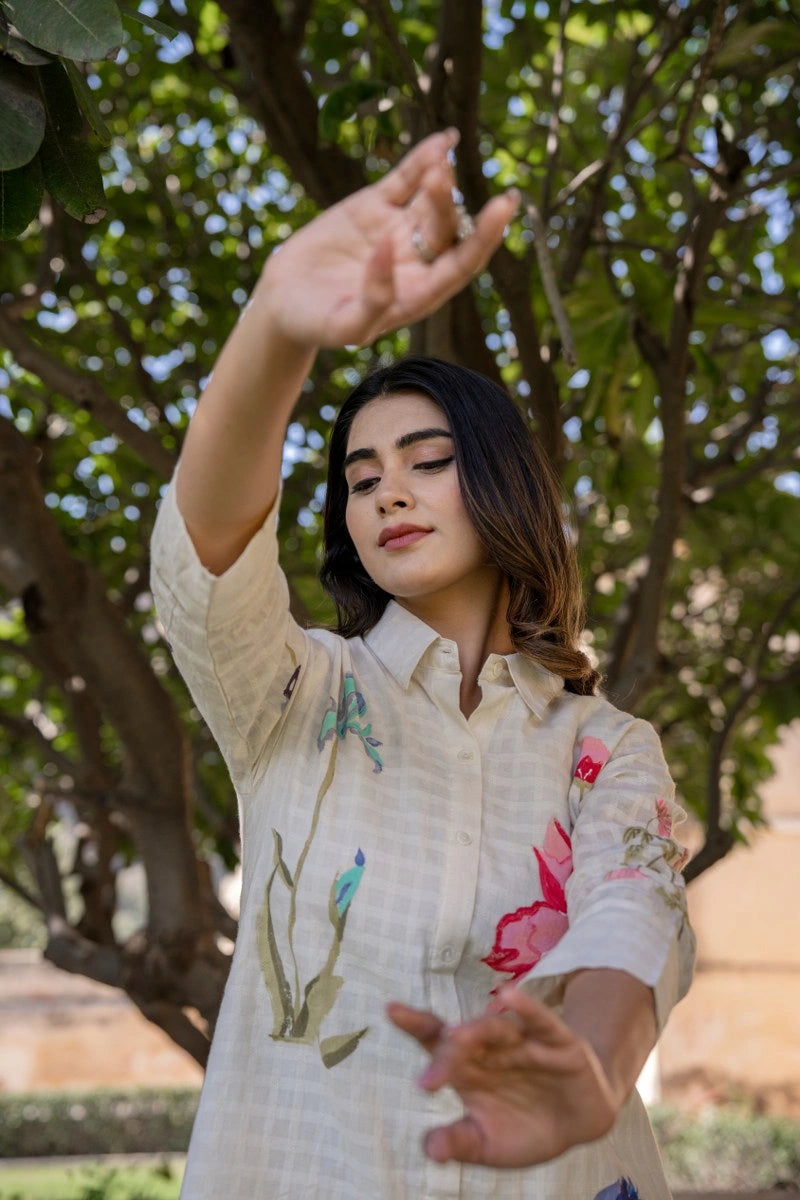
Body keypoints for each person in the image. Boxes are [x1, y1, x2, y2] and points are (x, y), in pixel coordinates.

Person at [151, 128, 695, 1200]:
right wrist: (275, 326)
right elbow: (207, 548)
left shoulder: (606, 746)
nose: (387, 492)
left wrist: (587, 1067)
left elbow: (630, 919)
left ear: (501, 487)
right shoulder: (292, 697)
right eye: (359, 479)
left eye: (427, 462)